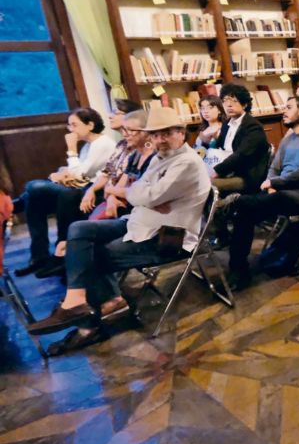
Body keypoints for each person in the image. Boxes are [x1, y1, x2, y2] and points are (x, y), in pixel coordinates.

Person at [25, 107, 211, 354]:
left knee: (88, 255)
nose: (160, 139)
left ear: (181, 132)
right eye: (156, 134)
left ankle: (89, 327)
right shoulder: (160, 157)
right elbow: (140, 191)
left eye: (167, 133)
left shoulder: (186, 162)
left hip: (166, 236)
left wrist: (143, 196)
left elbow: (145, 195)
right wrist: (143, 196)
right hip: (140, 222)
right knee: (79, 229)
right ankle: (79, 300)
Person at [225, 96, 299, 290]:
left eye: (289, 107)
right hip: (284, 191)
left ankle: (233, 207)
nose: (284, 112)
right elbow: (274, 167)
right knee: (244, 212)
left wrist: (276, 183)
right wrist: (271, 184)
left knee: (245, 204)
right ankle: (238, 269)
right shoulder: (288, 139)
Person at [13, 107, 118, 278]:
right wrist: (63, 173)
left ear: (90, 125)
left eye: (74, 125)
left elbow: (80, 174)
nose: (70, 130)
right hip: (77, 187)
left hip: (88, 191)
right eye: (69, 125)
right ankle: (39, 257)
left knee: (34, 187)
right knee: (33, 199)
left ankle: (11, 207)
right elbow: (75, 171)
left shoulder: (102, 144)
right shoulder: (89, 145)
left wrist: (71, 149)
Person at [86, 109, 156, 221]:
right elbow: (119, 184)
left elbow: (141, 195)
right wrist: (111, 199)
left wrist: (110, 190)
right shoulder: (135, 155)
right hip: (125, 205)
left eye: (130, 130)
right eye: (124, 129)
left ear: (147, 132)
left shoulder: (155, 158)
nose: (124, 134)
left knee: (80, 227)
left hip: (142, 213)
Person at [213, 83, 271, 197]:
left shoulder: (253, 127)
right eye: (225, 101)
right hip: (227, 171)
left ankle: (222, 206)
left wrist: (217, 171)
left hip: (245, 176)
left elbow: (241, 155)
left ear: (244, 104)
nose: (229, 105)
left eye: (234, 101)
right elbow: (219, 148)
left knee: (205, 185)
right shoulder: (226, 124)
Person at [194, 96, 227, 167]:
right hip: (205, 167)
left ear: (219, 110)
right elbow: (198, 155)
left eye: (210, 107)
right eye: (202, 108)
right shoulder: (202, 131)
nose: (205, 111)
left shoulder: (226, 128)